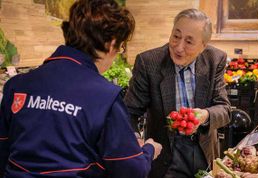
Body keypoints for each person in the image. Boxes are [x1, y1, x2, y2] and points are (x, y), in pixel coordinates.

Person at [0, 0, 162, 177]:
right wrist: (149, 150)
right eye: (121, 46)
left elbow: (3, 150)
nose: (119, 53)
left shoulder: (16, 85)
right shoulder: (105, 97)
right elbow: (131, 169)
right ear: (111, 44)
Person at [124, 8, 231, 178]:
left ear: (203, 46)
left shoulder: (215, 59)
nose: (179, 47)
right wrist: (136, 139)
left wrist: (204, 116)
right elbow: (128, 112)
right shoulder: (148, 62)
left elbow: (224, 110)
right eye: (176, 36)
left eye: (189, 42)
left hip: (203, 152)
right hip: (165, 156)